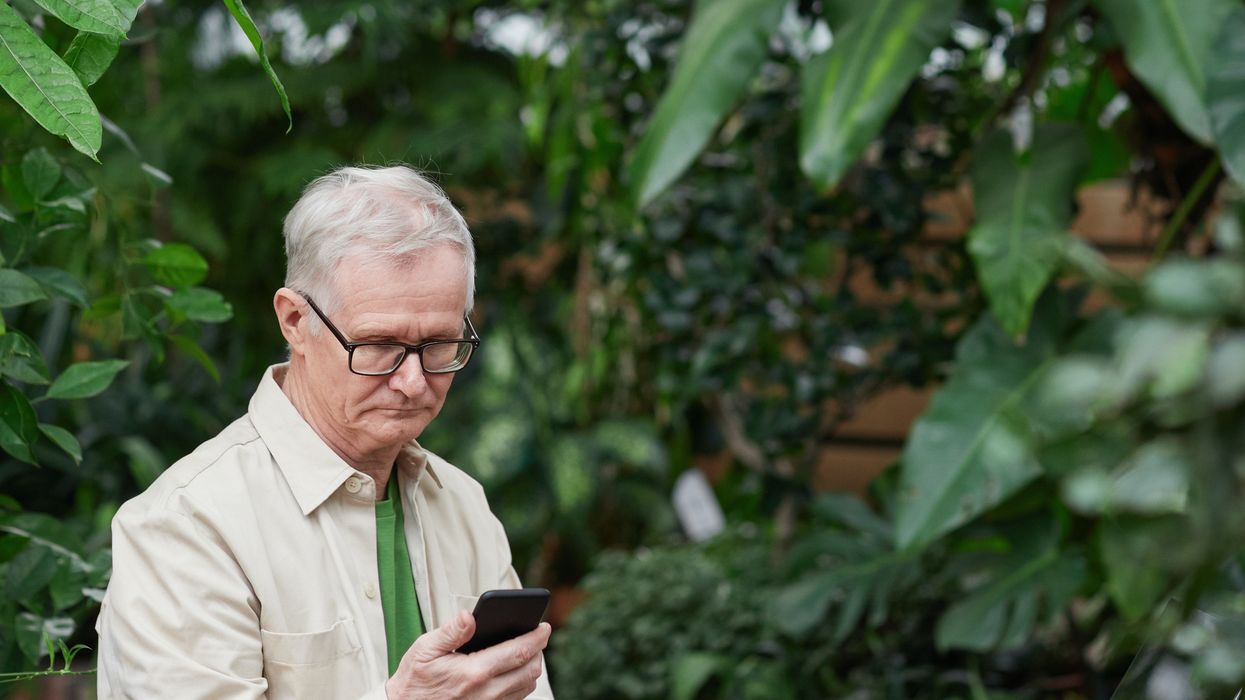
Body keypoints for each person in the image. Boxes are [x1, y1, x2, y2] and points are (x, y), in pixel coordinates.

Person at [95, 165, 554, 699]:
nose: (413, 381)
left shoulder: (463, 505)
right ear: (294, 321)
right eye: (379, 345)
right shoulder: (187, 526)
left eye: (439, 345)